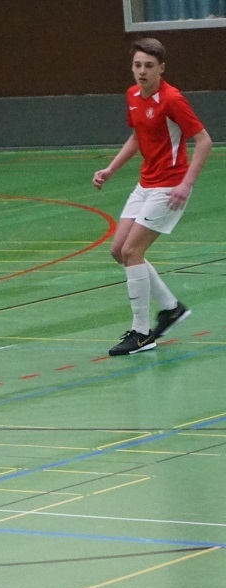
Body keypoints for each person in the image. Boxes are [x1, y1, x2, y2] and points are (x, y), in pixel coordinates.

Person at [93, 37, 212, 356]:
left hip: (169, 187)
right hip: (146, 184)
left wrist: (185, 184)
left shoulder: (172, 99)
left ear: (161, 68)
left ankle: (142, 333)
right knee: (118, 251)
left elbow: (204, 140)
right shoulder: (132, 95)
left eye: (149, 66)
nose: (142, 71)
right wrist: (110, 169)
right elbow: (137, 136)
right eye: (137, 65)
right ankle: (171, 308)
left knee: (132, 251)